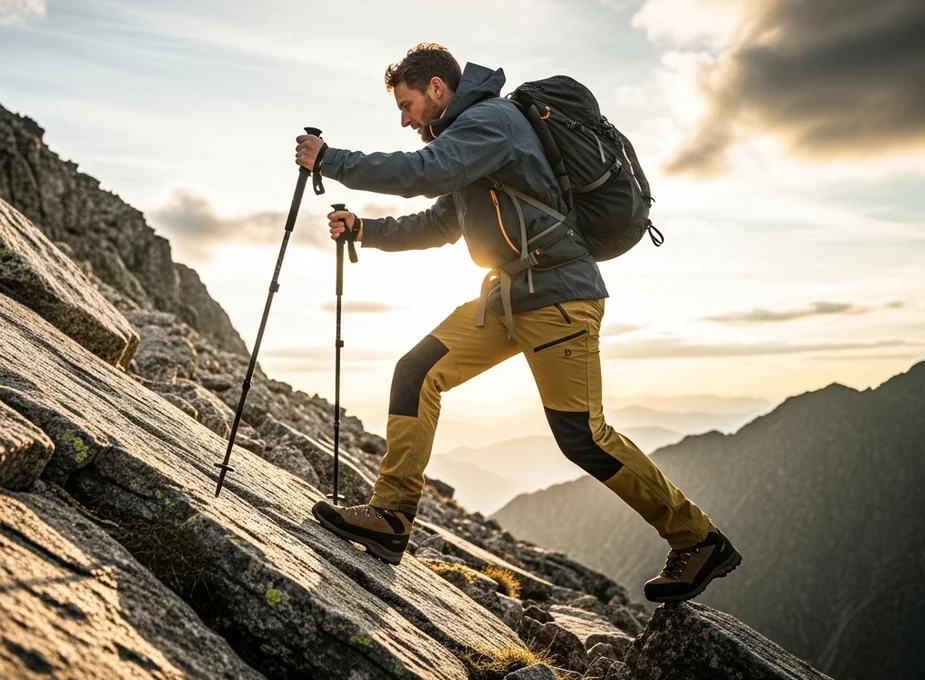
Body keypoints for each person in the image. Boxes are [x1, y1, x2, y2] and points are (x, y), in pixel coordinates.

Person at [295, 43, 740, 603]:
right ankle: (391, 516)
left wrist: (331, 159)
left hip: (559, 298)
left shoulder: (491, 121)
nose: (405, 119)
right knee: (416, 371)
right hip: (508, 300)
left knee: (583, 438)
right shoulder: (467, 141)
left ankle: (699, 539)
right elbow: (439, 222)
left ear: (437, 89)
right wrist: (365, 231)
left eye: (406, 105)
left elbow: (421, 174)